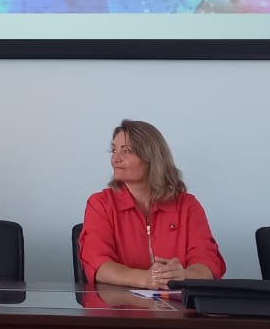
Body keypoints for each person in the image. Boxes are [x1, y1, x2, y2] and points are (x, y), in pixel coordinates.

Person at [79, 119, 225, 288]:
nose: (115, 159)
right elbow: (99, 265)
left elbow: (208, 263)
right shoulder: (100, 204)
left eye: (126, 151)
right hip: (121, 303)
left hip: (178, 303)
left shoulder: (188, 205)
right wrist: (146, 279)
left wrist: (184, 275)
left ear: (151, 158)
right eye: (114, 150)